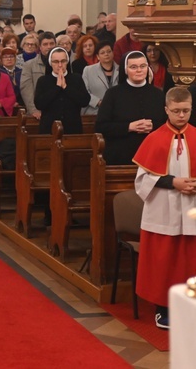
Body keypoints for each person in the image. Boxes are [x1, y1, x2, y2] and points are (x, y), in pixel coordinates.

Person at [132, 87, 196, 330]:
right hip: (164, 210)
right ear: (166, 110)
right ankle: (163, 308)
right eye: (176, 111)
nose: (182, 115)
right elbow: (142, 180)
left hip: (191, 209)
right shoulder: (154, 139)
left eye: (186, 111)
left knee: (191, 260)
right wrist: (173, 183)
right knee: (164, 260)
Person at [95, 51, 167, 165]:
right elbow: (101, 126)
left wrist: (153, 126)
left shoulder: (158, 94)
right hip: (121, 155)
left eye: (143, 66)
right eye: (133, 67)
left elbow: (166, 124)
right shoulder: (113, 94)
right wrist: (129, 127)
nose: (139, 70)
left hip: (152, 155)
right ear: (125, 70)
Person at [34, 47, 90, 134]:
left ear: (67, 62)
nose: (60, 65)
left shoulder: (76, 78)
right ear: (50, 63)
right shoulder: (43, 80)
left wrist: (66, 87)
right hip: (49, 129)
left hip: (73, 129)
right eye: (56, 62)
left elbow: (85, 101)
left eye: (63, 61)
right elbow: (39, 104)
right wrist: (57, 87)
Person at [20, 32, 56, 120]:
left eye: (51, 44)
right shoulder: (29, 65)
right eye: (45, 44)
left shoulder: (62, 63)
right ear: (40, 47)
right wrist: (33, 110)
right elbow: (26, 90)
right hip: (38, 112)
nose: (49, 47)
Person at [81, 41, 118, 115]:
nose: (106, 54)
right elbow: (84, 91)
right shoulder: (88, 70)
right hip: (94, 111)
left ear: (113, 53)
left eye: (109, 51)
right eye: (102, 53)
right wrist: (99, 102)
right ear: (97, 56)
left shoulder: (121, 70)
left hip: (116, 111)